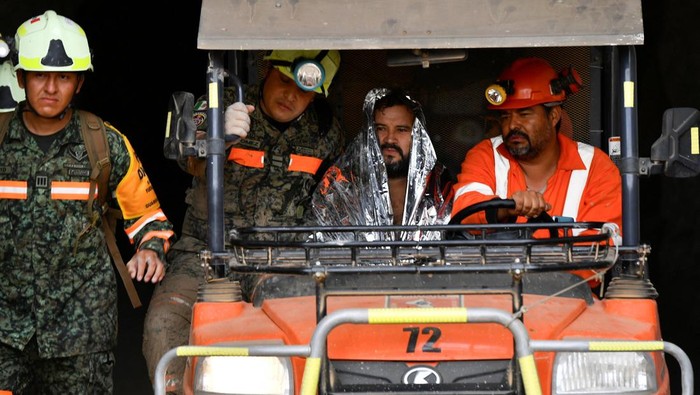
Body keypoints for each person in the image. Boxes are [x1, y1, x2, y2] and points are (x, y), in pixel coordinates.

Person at [143, 50, 346, 393]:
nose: (291, 96)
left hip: (283, 259)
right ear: (267, 71)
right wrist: (217, 136)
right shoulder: (221, 105)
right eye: (284, 81)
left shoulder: (326, 132)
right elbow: (182, 156)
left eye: (305, 91)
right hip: (205, 251)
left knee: (309, 332)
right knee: (164, 321)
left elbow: (337, 197)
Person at [0, 10, 175, 394]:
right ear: (20, 78)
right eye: (40, 75)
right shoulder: (0, 139)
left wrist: (150, 249)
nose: (50, 87)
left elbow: (151, 218)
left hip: (80, 331)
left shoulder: (104, 142)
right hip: (5, 328)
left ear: (78, 83)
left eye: (63, 76)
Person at [451, 57, 621, 236]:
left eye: (524, 114)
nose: (512, 125)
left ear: (554, 116)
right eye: (505, 116)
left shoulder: (596, 166)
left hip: (567, 266)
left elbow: (604, 243)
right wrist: (506, 208)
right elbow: (464, 211)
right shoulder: (486, 155)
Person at [309, 87, 454, 241]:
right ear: (369, 133)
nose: (390, 139)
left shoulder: (439, 188)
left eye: (401, 130)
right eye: (381, 128)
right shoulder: (341, 188)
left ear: (417, 137)